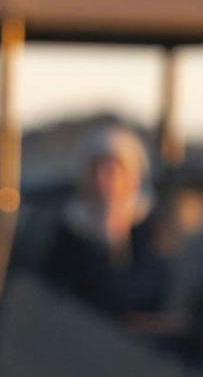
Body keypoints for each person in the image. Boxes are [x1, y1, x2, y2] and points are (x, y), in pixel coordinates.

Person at [42, 121, 172, 317]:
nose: (105, 180)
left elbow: (152, 289)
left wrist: (116, 240)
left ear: (132, 176)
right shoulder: (69, 228)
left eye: (114, 171)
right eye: (98, 170)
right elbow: (56, 289)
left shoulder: (150, 227)